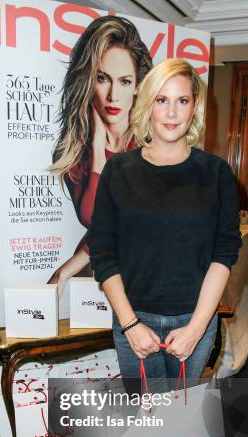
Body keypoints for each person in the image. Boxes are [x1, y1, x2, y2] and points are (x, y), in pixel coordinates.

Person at [88, 58, 242, 437]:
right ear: (145, 104)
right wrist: (129, 323)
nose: (172, 111)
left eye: (182, 99)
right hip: (133, 324)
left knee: (168, 426)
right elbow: (103, 253)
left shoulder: (215, 173)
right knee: (137, 419)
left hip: (190, 327)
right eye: (162, 98)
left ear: (194, 107)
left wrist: (198, 327)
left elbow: (226, 250)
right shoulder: (119, 171)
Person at [48, 16, 152, 295]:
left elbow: (117, 223)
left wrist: (65, 269)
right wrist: (96, 150)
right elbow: (94, 220)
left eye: (125, 81)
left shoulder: (151, 148)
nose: (113, 95)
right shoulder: (72, 152)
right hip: (97, 269)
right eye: (102, 78)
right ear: (87, 80)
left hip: (144, 273)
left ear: (138, 86)